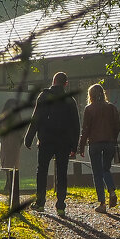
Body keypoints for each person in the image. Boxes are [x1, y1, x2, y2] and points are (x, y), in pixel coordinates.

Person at [24, 72, 80, 216]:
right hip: (64, 142)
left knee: (42, 171)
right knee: (62, 173)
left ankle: (40, 203)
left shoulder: (44, 96)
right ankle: (61, 205)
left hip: (46, 140)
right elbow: (75, 124)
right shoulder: (70, 100)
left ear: (53, 81)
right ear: (65, 84)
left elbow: (36, 118)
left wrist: (28, 138)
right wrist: (75, 145)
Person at [78, 83, 120, 212]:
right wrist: (113, 138)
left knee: (97, 173)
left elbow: (85, 129)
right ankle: (112, 191)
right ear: (103, 94)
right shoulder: (111, 108)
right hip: (109, 143)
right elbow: (117, 126)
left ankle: (102, 203)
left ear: (90, 95)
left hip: (95, 144)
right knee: (106, 169)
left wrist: (81, 146)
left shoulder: (89, 109)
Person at [0, 98, 23, 198]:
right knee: (12, 162)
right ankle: (10, 183)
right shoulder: (15, 114)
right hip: (13, 141)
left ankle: (9, 183)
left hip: (7, 140)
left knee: (7, 162)